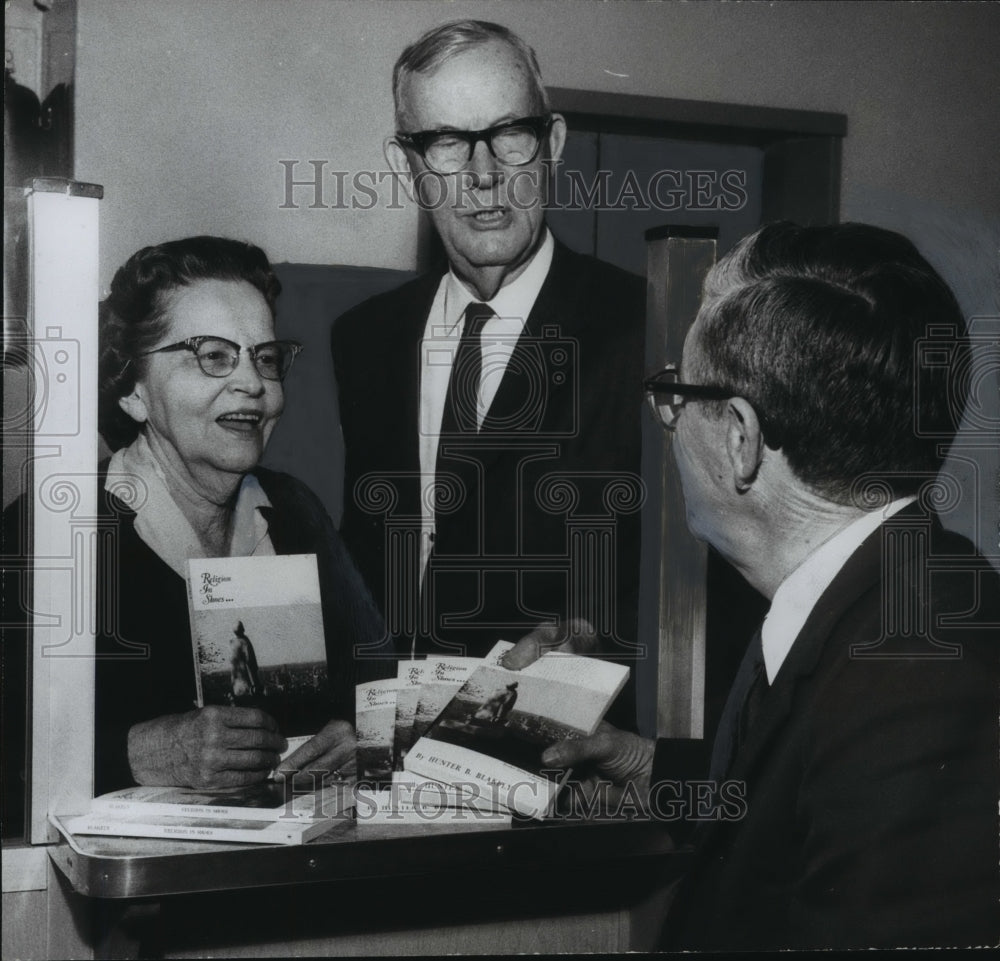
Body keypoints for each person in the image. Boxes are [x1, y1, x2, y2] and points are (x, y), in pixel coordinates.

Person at [537, 222, 999, 950]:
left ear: (740, 440)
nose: (669, 420)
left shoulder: (919, 688)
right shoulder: (876, 595)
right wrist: (649, 764)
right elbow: (802, 798)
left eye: (675, 395)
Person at [332, 20, 645, 679]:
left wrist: (595, 635)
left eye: (509, 134)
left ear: (552, 142)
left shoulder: (645, 328)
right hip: (397, 745)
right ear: (406, 166)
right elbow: (372, 558)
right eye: (446, 143)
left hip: (562, 756)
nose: (484, 174)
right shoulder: (365, 339)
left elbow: (687, 582)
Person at [85, 235, 385, 794]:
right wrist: (134, 754)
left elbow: (375, 685)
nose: (253, 384)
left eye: (264, 358)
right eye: (213, 355)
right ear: (132, 389)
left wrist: (359, 736)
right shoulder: (56, 531)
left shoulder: (296, 512)